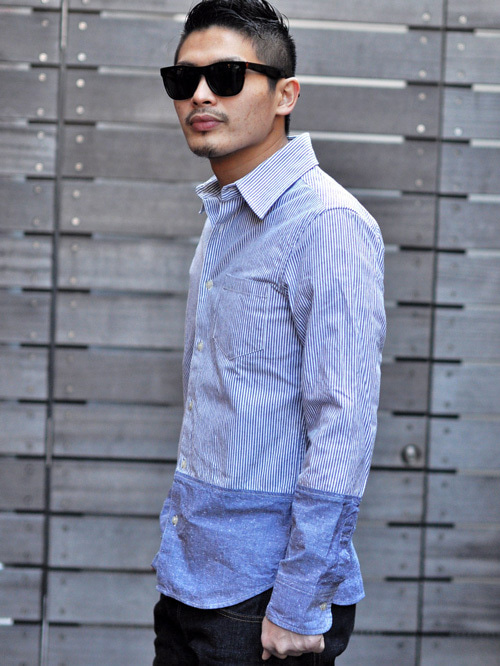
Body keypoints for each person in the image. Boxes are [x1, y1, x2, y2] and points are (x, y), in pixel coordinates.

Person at [152, 1, 385, 663]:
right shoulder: (225, 217)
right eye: (183, 79)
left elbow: (342, 422)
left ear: (286, 95)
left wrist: (300, 601)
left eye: (227, 76)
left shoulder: (327, 224)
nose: (200, 94)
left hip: (265, 602)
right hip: (190, 578)